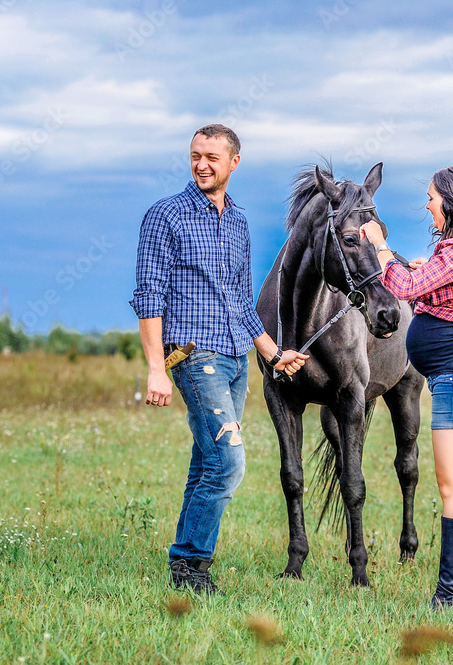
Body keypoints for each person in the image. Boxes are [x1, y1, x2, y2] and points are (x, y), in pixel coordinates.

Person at [130, 124, 308, 595]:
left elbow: (238, 298)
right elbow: (149, 296)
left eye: (212, 156)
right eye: (195, 155)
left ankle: (183, 568)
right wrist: (155, 367)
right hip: (192, 355)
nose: (201, 164)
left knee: (207, 461)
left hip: (235, 357)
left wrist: (270, 351)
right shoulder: (164, 216)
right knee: (229, 463)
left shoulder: (238, 221)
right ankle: (193, 566)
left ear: (234, 162)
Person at [360, 165, 453, 609]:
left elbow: (403, 285)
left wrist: (381, 246)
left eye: (430, 197)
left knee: (450, 485)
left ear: (451, 199)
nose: (427, 205)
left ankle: (450, 596)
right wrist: (437, 273)